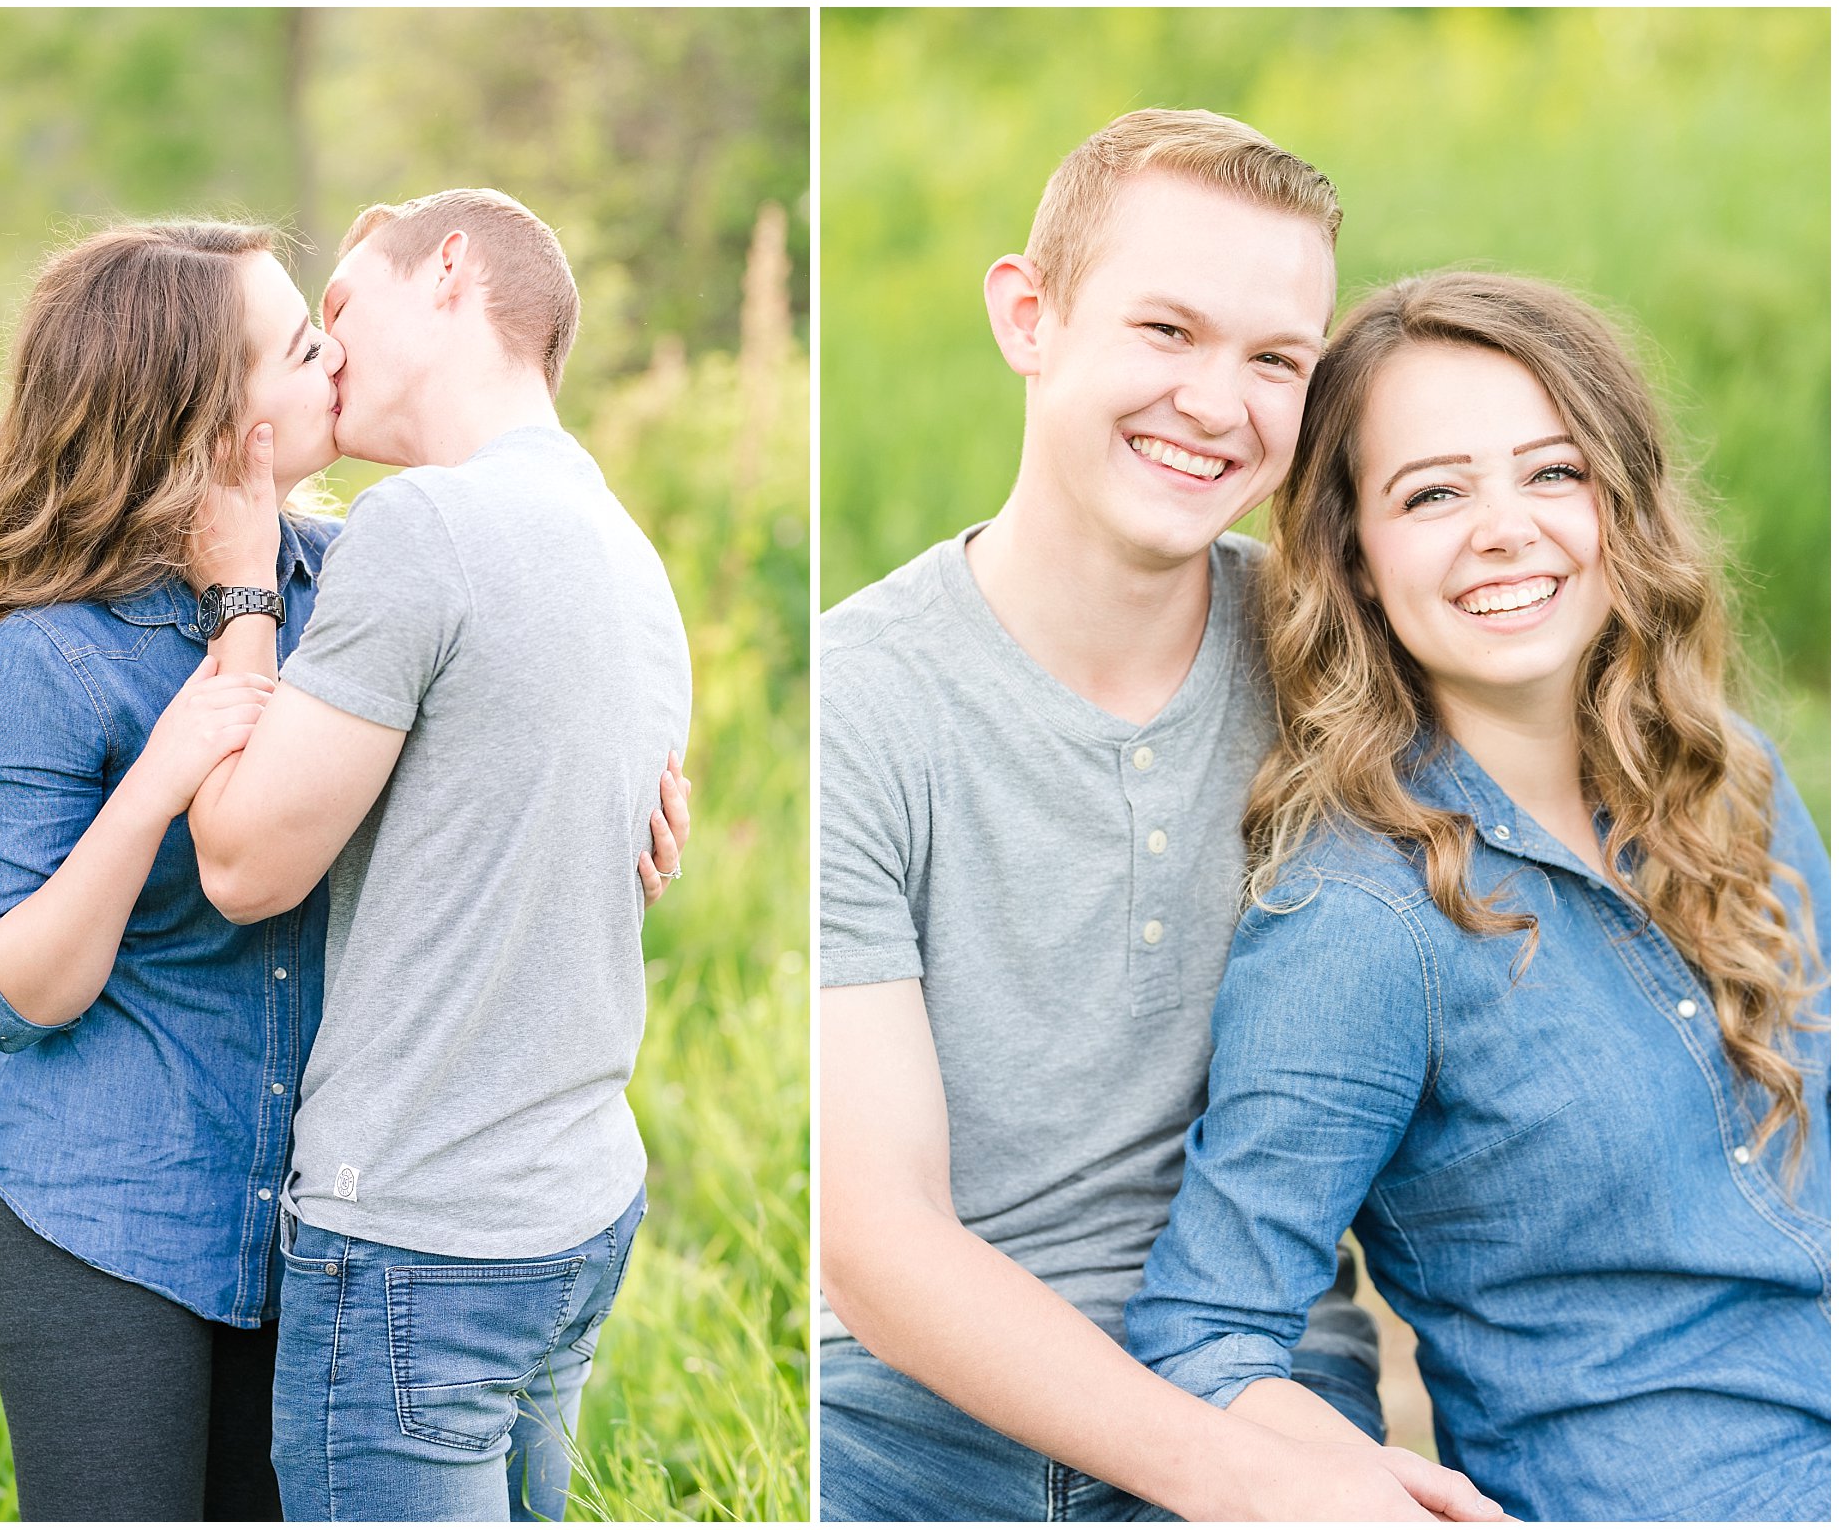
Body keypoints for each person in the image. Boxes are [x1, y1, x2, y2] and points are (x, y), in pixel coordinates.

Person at [0, 220, 687, 1521]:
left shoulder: (357, 581)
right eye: (300, 345)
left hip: (324, 1222)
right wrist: (163, 777)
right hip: (111, 1225)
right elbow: (12, 988)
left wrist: (607, 812)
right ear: (206, 414)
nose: (337, 356)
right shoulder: (46, 662)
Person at [820, 109, 1502, 1520]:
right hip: (919, 1417)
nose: (1215, 402)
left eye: (1274, 360)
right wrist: (1233, 1483)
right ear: (1030, 314)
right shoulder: (861, 700)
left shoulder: (1344, 667)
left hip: (1271, 1374)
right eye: (1166, 332)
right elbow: (877, 1237)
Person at [1125, 271, 1831, 1521]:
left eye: (1551, 473)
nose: (1503, 527)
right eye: (1433, 493)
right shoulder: (1363, 916)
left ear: (1621, 501)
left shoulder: (1734, 784)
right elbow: (1203, 1330)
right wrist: (1375, 1496)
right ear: (1354, 557)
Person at [184, 189, 692, 1522]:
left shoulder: (425, 530)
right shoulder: (627, 553)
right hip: (571, 1206)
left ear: (452, 267)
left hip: (418, 1231)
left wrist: (243, 582)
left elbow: (242, 864)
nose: (328, 355)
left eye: (340, 307)